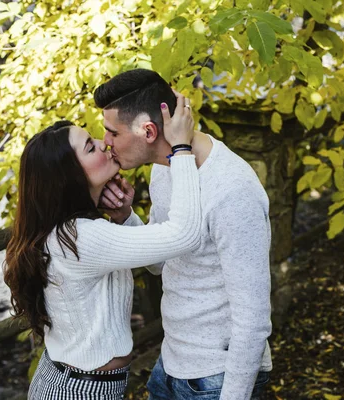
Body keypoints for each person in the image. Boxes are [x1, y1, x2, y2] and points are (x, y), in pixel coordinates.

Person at [3, 92, 201, 400]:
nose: (105, 143)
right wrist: (182, 149)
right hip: (78, 391)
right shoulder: (80, 237)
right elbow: (184, 235)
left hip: (75, 383)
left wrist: (124, 217)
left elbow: (157, 262)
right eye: (90, 146)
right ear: (70, 176)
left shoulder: (72, 231)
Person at [95, 69, 272, 400]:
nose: (105, 142)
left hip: (217, 379)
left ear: (148, 131)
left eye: (111, 132)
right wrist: (124, 217)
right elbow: (161, 263)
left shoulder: (233, 190)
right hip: (173, 363)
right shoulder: (168, 168)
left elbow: (254, 320)